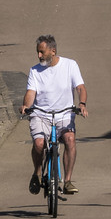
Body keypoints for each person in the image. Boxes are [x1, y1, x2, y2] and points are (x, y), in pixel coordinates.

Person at [22, 33, 87, 196]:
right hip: (40, 114)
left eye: (42, 52)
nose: (39, 55)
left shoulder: (70, 65)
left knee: (70, 140)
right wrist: (26, 106)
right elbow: (31, 92)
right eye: (37, 51)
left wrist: (82, 104)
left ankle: (68, 181)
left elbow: (80, 87)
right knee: (38, 143)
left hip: (64, 114)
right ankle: (37, 172)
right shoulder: (35, 71)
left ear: (53, 51)